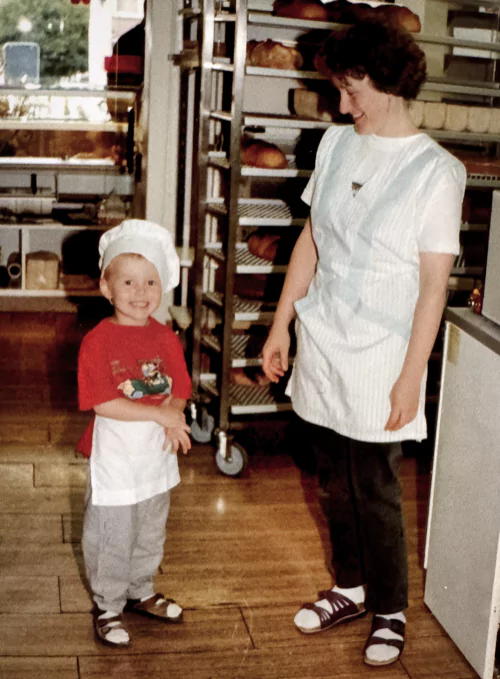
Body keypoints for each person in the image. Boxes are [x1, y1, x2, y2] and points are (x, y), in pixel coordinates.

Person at [262, 21, 465, 667]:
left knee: (374, 486)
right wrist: (281, 323)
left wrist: (413, 375)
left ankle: (391, 608)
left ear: (389, 82)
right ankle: (349, 586)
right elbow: (312, 239)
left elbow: (434, 286)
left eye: (351, 89)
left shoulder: (438, 171)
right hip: (323, 336)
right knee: (332, 480)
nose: (342, 105)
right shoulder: (334, 145)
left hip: (384, 351)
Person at [77, 219, 192, 647]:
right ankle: (108, 605)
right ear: (106, 288)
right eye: (128, 281)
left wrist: (175, 415)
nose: (140, 292)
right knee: (112, 532)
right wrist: (162, 417)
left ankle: (140, 589)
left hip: (155, 457)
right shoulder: (97, 341)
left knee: (149, 527)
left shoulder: (166, 338)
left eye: (150, 282)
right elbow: (103, 402)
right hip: (116, 459)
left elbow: (179, 387)